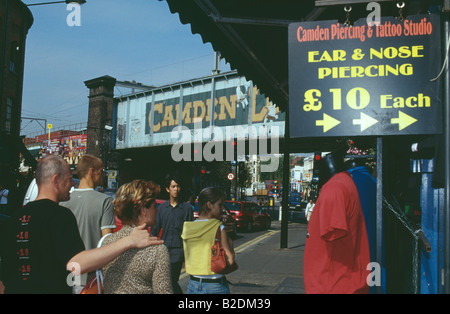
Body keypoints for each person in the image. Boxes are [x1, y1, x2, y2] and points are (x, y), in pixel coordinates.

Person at [0, 155, 162, 294]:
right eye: (69, 178)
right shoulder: (59, 215)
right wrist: (130, 241)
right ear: (56, 180)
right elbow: (77, 263)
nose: (72, 184)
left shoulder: (14, 218)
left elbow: (4, 278)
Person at [303, 151, 371, 294]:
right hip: (341, 282)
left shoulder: (334, 188)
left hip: (331, 285)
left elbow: (332, 231)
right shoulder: (345, 183)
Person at [101, 180, 172, 294]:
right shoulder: (157, 250)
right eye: (154, 206)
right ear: (143, 210)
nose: (157, 210)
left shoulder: (107, 243)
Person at [60, 154, 116, 292]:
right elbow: (107, 242)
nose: (104, 174)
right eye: (102, 171)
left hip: (65, 273)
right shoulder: (104, 201)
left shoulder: (62, 202)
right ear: (92, 172)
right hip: (90, 276)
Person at [181, 187, 235, 294]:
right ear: (209, 205)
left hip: (193, 284)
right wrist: (230, 244)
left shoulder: (188, 227)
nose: (222, 208)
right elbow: (230, 259)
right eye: (219, 205)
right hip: (215, 286)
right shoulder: (219, 228)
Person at [150, 174, 194, 294]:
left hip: (178, 251)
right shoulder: (162, 208)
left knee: (171, 281)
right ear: (167, 189)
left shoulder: (187, 209)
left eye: (178, 186)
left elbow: (190, 235)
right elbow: (154, 231)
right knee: (166, 282)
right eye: (173, 186)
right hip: (163, 251)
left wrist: (188, 257)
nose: (176, 189)